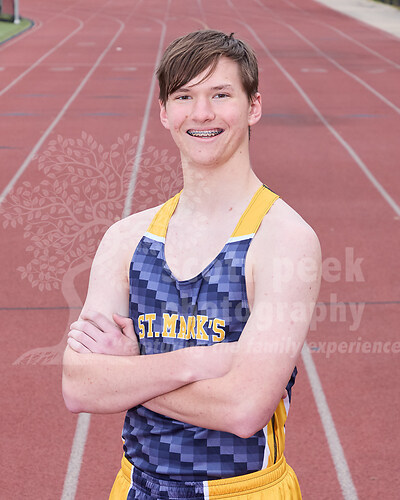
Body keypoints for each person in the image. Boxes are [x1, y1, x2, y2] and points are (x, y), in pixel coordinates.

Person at [62, 29, 321, 499]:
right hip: (135, 487)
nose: (201, 113)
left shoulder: (282, 240)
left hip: (243, 490)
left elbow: (243, 408)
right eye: (184, 96)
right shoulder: (127, 239)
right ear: (165, 112)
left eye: (220, 94)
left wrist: (131, 371)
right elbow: (79, 386)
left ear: (253, 106)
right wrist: (198, 361)